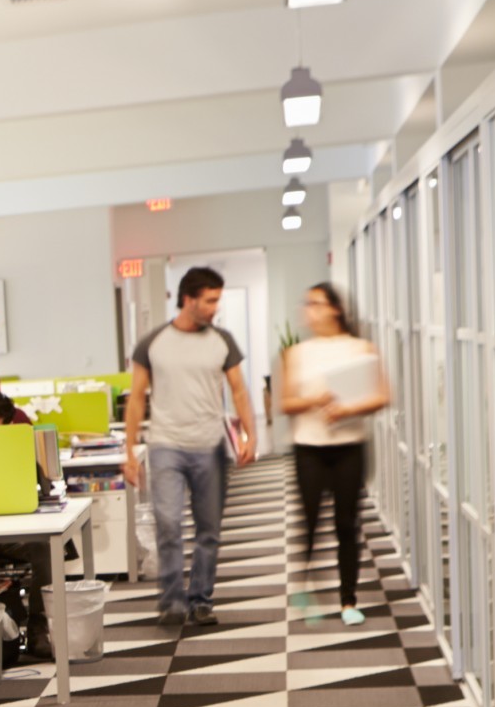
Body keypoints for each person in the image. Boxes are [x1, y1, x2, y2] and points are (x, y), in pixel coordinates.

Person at [126, 267, 259, 628]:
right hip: (165, 445)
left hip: (210, 446)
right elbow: (137, 399)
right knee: (168, 523)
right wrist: (128, 454)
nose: (216, 307)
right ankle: (171, 601)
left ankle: (200, 599)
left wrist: (251, 435)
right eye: (211, 300)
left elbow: (240, 391)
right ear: (189, 300)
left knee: (208, 530)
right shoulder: (153, 343)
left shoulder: (222, 341)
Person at [279, 282, 390, 626]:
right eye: (307, 303)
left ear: (335, 309)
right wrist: (316, 400)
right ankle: (305, 587)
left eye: (315, 303)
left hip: (349, 446)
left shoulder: (360, 348)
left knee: (347, 523)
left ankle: (348, 599)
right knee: (309, 520)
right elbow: (285, 402)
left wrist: (346, 409)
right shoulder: (296, 353)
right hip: (309, 448)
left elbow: (383, 395)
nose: (308, 310)